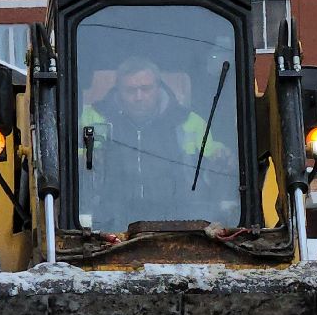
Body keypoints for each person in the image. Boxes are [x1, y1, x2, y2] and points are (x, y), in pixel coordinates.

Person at [80, 58, 231, 230]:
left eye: (146, 89)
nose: (139, 97)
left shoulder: (189, 122)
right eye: (130, 90)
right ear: (118, 90)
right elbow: (71, 160)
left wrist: (222, 158)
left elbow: (215, 157)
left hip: (179, 223)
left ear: (158, 88)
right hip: (111, 223)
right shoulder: (91, 118)